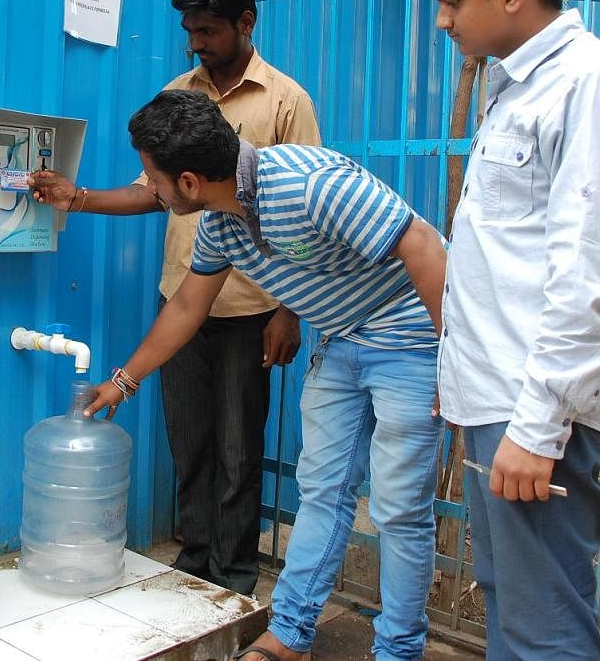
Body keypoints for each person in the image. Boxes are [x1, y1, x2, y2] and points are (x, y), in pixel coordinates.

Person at [85, 89, 446, 661]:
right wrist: (123, 381)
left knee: (400, 506)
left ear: (187, 182)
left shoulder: (310, 183)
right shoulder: (221, 225)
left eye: (151, 178)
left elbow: (423, 245)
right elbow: (185, 308)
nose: (146, 188)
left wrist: (455, 363)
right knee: (322, 490)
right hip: (344, 338)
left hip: (410, 339)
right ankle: (292, 635)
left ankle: (398, 650)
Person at [29, 0, 320, 596]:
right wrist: (77, 199)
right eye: (190, 30)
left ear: (245, 23)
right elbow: (150, 193)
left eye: (209, 29)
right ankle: (195, 566)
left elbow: (302, 218)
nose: (196, 42)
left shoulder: (286, 101)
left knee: (239, 451)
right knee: (188, 443)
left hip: (252, 308)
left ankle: (234, 577)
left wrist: (289, 310)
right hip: (182, 298)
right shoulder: (177, 95)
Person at [418, 0, 600, 660]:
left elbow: (590, 276)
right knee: (515, 614)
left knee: (542, 632)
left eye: (454, 1)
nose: (444, 20)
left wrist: (537, 425)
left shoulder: (591, 85)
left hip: (536, 416)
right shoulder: (516, 86)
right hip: (499, 402)